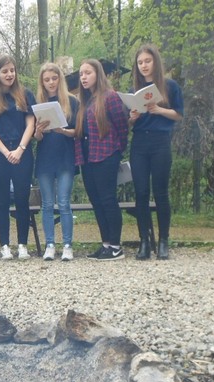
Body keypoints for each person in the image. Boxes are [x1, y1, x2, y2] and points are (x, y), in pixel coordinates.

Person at [0, 54, 36, 260]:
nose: (9, 74)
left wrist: (20, 149)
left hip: (23, 152)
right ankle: (4, 246)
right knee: (1, 201)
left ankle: (22, 245)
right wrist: (5, 151)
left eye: (12, 70)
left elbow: (31, 124)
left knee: (22, 199)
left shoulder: (25, 94)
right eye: (5, 71)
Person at [128, 44, 183, 260]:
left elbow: (179, 114)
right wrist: (132, 117)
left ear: (155, 62)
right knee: (141, 193)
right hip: (140, 144)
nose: (143, 65)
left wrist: (158, 109)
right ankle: (144, 241)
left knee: (160, 193)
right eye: (140, 62)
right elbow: (129, 122)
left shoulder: (170, 86)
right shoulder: (135, 89)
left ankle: (163, 241)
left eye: (147, 61)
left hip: (160, 142)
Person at [74, 59, 129, 261]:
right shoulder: (85, 100)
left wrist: (117, 150)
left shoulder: (110, 97)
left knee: (108, 200)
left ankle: (116, 246)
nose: (83, 77)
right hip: (87, 158)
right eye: (81, 74)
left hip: (106, 155)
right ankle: (105, 244)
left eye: (87, 73)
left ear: (98, 74)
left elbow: (122, 127)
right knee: (96, 201)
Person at [33, 62, 80, 262]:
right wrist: (38, 132)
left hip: (65, 157)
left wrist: (62, 130)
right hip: (45, 157)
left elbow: (78, 132)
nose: (51, 82)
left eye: (54, 78)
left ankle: (67, 245)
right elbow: (36, 138)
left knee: (63, 202)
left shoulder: (72, 101)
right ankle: (50, 244)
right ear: (42, 82)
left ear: (60, 79)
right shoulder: (38, 102)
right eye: (47, 80)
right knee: (47, 204)